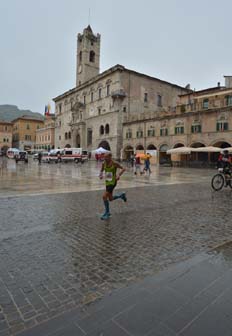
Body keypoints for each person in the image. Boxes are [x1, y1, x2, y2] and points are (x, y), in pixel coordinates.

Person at [99, 152, 127, 220]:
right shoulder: (103, 163)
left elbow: (123, 168)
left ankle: (107, 213)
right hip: (107, 182)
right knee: (110, 199)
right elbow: (101, 170)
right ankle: (121, 195)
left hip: (113, 182)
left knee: (104, 196)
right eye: (104, 157)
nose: (105, 158)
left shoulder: (114, 163)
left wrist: (118, 175)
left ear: (110, 157)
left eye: (106, 157)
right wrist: (100, 174)